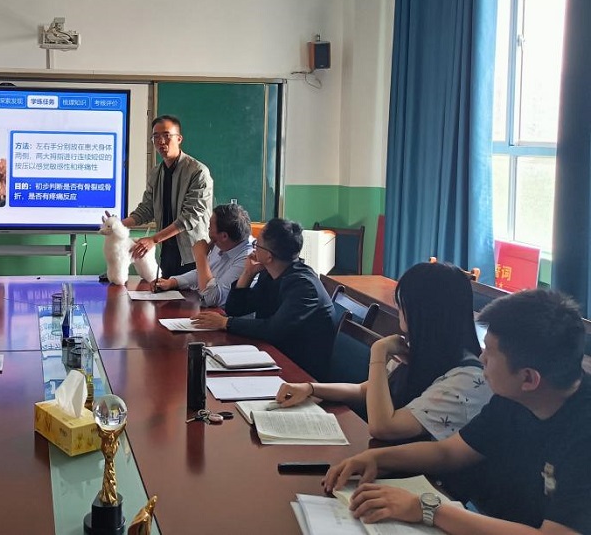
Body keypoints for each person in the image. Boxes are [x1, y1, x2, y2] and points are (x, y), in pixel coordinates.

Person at [324, 289, 591, 534]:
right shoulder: (514, 396)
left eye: (490, 353)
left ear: (529, 378)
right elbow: (449, 452)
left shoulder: (582, 433)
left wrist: (428, 509)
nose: (482, 358)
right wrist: (376, 458)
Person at [275, 261, 491, 440]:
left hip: (418, 475)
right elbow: (365, 391)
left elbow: (384, 428)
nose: (398, 311)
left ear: (422, 313)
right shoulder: (421, 348)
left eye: (402, 305)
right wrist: (311, 388)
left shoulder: (467, 379)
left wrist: (379, 352)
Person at [191, 217, 334, 379]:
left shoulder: (304, 287)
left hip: (300, 372)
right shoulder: (270, 273)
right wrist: (247, 273)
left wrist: (225, 322)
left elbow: (273, 329)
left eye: (256, 245)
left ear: (269, 256)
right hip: (272, 355)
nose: (253, 250)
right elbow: (235, 309)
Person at [122, 115, 213, 278]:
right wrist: (118, 225)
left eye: (166, 135)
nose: (161, 141)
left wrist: (154, 239)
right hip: (167, 252)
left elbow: (190, 216)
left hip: (193, 255)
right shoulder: (156, 173)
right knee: (165, 293)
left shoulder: (198, 172)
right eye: (156, 137)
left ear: (179, 139)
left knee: (192, 295)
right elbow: (147, 209)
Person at [154, 203, 252, 307]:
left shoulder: (247, 259)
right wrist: (172, 282)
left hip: (226, 315)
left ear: (224, 236)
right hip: (210, 311)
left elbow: (211, 298)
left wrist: (201, 256)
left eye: (210, 226)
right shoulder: (223, 243)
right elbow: (202, 274)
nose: (208, 229)